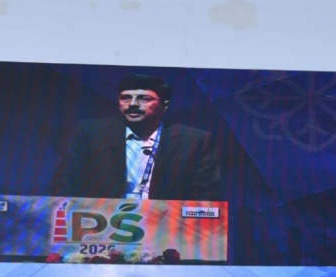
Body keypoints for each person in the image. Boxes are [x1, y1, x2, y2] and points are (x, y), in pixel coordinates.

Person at [52, 73, 222, 201]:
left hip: (166, 225)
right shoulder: (91, 132)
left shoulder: (194, 140)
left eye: (144, 99)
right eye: (125, 98)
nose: (132, 104)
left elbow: (207, 194)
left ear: (164, 106)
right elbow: (67, 182)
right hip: (102, 223)